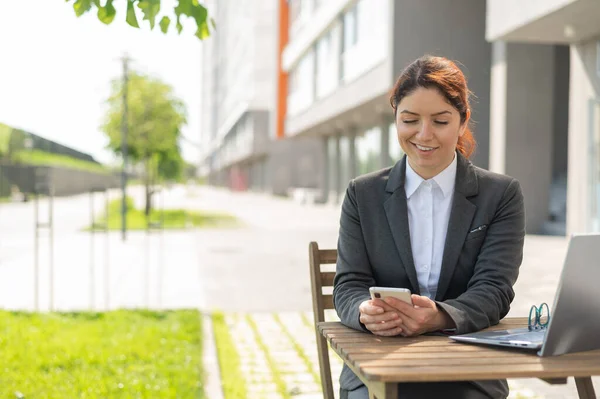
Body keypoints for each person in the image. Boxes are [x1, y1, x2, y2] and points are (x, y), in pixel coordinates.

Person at [333, 55, 526, 399]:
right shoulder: (362, 195)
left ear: (463, 120)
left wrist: (439, 317)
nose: (424, 135)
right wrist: (364, 312)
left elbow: (494, 289)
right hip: (379, 364)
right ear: (395, 119)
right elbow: (349, 285)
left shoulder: (500, 195)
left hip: (468, 371)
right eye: (410, 120)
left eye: (440, 120)